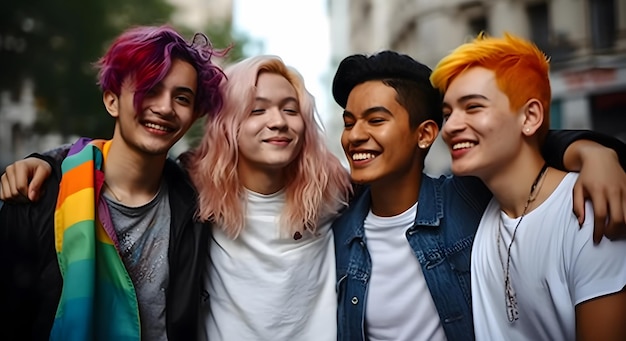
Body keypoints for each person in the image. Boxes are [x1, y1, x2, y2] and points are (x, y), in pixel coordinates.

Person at [330, 50, 626, 340]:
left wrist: (594, 153)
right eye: (348, 122)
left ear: (424, 134)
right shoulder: (337, 224)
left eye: (376, 120)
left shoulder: (467, 198)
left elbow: (518, 146)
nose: (354, 135)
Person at [0, 25, 227, 340]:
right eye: (150, 89)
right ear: (112, 100)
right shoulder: (40, 196)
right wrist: (45, 161)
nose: (164, 108)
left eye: (182, 97)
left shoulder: (198, 204)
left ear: (193, 115)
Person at [431, 32, 626, 340]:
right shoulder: (473, 203)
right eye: (447, 113)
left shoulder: (584, 208)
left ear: (530, 116)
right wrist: (591, 151)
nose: (451, 127)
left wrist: (600, 153)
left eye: (473, 107)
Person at [187, 55, 352, 340]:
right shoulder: (193, 197)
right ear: (228, 123)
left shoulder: (335, 195)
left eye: (290, 110)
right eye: (257, 110)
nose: (278, 122)